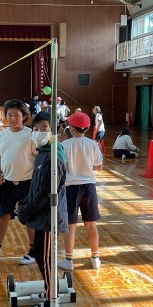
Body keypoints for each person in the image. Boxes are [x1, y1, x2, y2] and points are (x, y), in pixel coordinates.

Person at [16, 111, 68, 307]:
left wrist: (24, 211)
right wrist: (24, 203)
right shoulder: (42, 153)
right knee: (39, 254)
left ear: (53, 131)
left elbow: (46, 194)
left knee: (45, 258)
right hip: (41, 215)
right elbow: (35, 188)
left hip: (49, 217)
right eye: (36, 129)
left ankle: (51, 300)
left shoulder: (54, 156)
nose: (39, 132)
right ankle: (48, 290)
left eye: (44, 129)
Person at [0, 99, 36, 270]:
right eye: (10, 115)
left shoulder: (31, 134)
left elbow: (37, 157)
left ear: (24, 116)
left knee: (29, 219)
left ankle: (33, 251)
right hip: (6, 184)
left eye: (17, 115)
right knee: (3, 217)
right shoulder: (2, 135)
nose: (13, 118)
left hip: (27, 184)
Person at [60, 111, 103, 270]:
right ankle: (95, 258)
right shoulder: (93, 144)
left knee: (70, 226)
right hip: (89, 187)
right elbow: (99, 166)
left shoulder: (64, 145)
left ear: (71, 128)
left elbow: (61, 167)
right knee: (91, 224)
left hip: (71, 188)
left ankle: (69, 260)